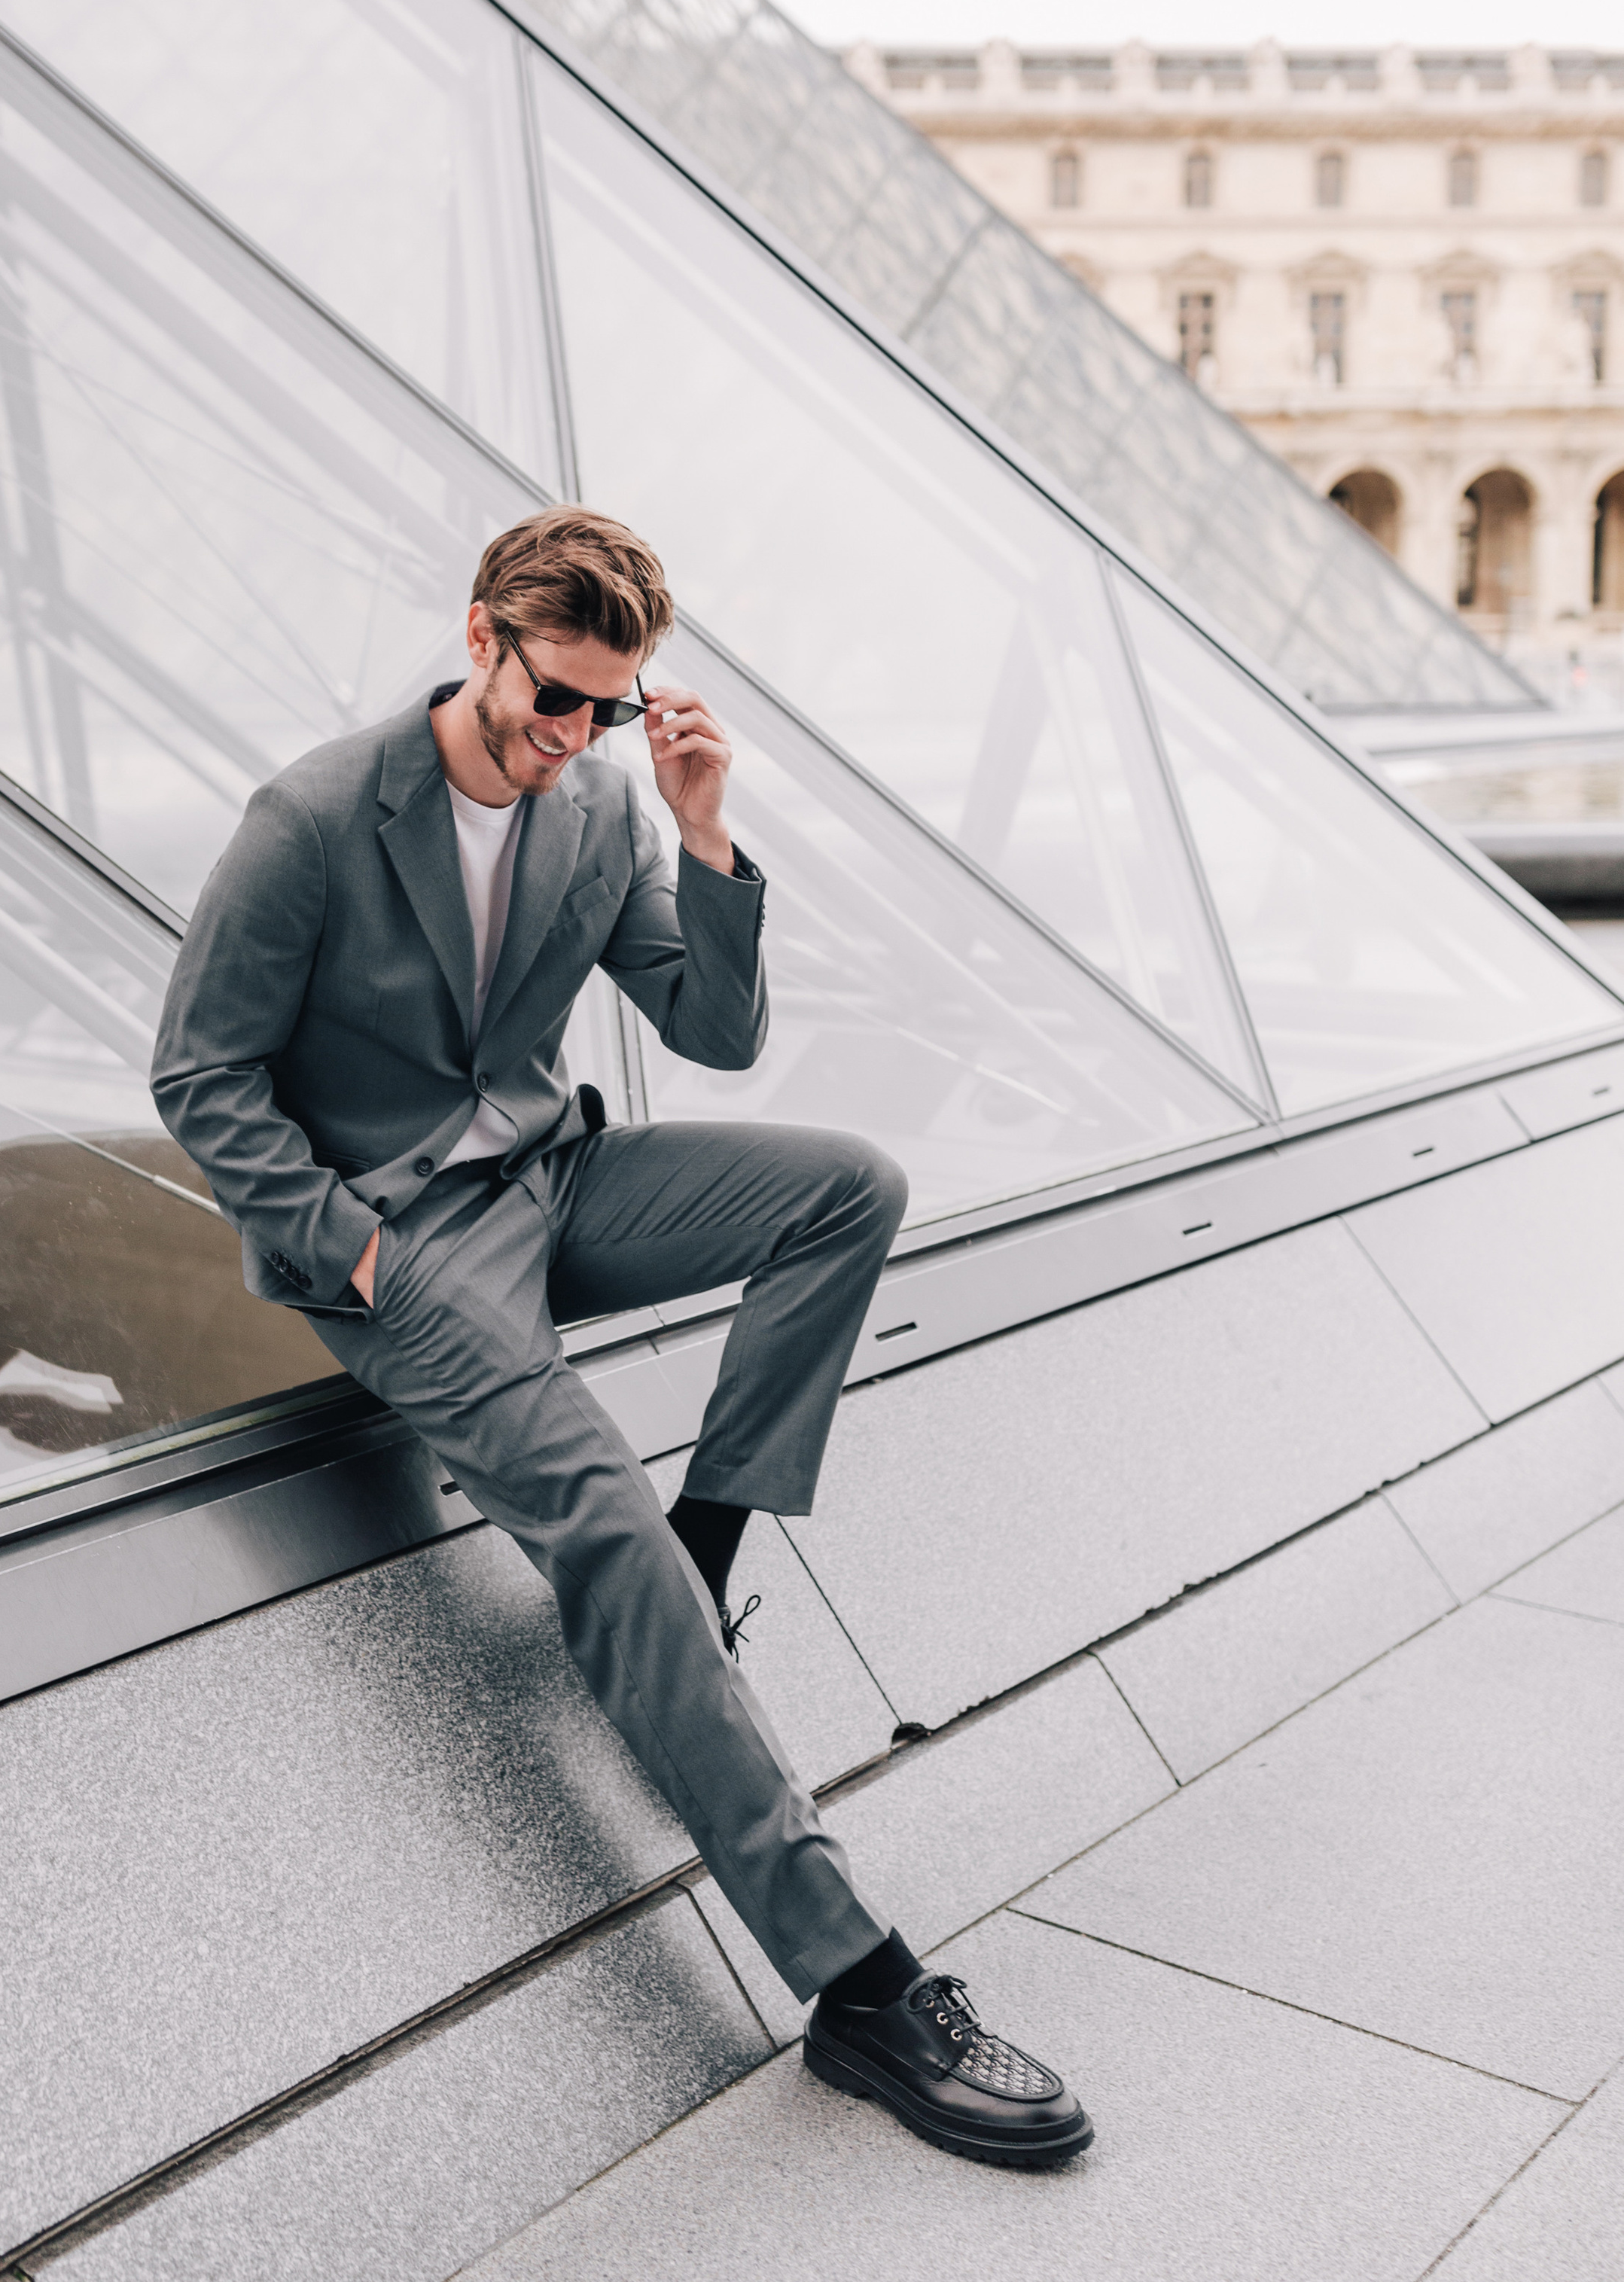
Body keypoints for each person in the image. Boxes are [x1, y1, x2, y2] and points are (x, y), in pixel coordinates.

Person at [152, 505, 1092, 2168]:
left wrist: (702, 828)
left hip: (552, 1174)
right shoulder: (309, 819)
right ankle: (859, 1988)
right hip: (400, 1241)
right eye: (553, 697)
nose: (570, 734)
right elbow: (200, 1081)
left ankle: (701, 1550)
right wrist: (349, 1258)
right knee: (595, 1523)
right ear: (479, 637)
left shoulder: (594, 806)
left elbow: (715, 1034)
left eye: (604, 705)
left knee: (844, 1191)